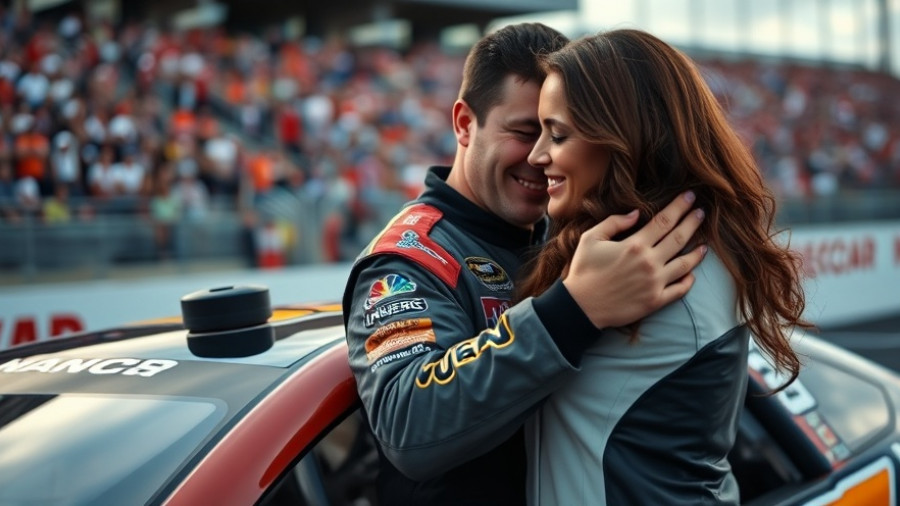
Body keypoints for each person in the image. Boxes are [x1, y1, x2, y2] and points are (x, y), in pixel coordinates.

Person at [341, 23, 707, 505]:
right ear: (464, 124)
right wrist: (572, 312)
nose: (540, 156)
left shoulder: (579, 238)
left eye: (560, 134)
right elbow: (408, 423)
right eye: (525, 132)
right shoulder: (407, 260)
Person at [519, 29, 812, 505]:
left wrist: (571, 306)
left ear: (624, 136)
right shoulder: (670, 252)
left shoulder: (657, 278)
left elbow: (471, 401)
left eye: (558, 134)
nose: (537, 156)